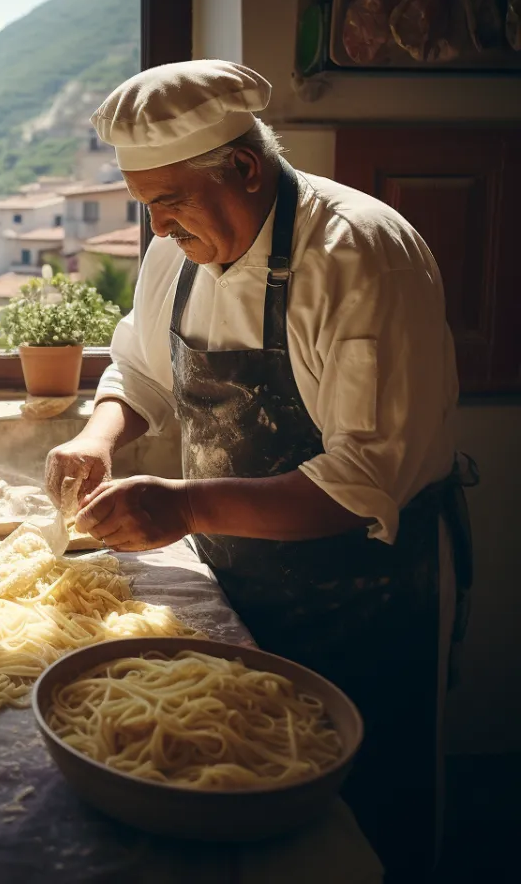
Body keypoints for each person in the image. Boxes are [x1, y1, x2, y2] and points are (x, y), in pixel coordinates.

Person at [45, 60, 474, 881]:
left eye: (168, 205)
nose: (158, 229)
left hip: (370, 590)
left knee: (368, 810)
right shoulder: (177, 250)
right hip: (237, 571)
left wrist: (184, 504)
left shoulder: (357, 254)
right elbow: (138, 372)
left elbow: (360, 480)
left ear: (243, 167)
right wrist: (98, 438)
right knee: (242, 785)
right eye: (148, 208)